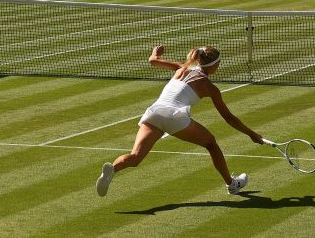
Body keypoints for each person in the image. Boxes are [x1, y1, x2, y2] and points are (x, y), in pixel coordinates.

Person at [96, 45, 262, 197]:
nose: (218, 67)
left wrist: (155, 52)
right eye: (218, 64)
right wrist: (252, 134)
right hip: (174, 117)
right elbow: (229, 118)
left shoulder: (183, 67)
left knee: (135, 156)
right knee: (211, 143)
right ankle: (232, 184)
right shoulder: (209, 87)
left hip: (154, 113)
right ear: (211, 65)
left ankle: (113, 169)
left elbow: (153, 61)